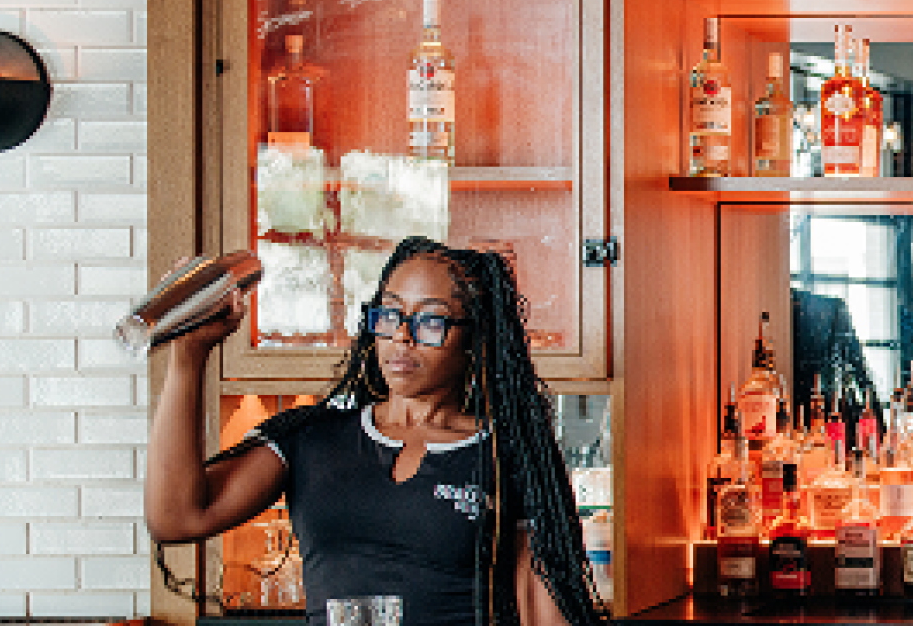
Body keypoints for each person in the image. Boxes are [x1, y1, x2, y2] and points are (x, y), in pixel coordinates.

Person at [147, 236, 606, 626]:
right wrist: (188, 356)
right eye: (390, 315)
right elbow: (176, 517)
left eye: (430, 321)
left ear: (473, 339)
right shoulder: (313, 437)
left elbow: (542, 612)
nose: (402, 337)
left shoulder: (508, 456)